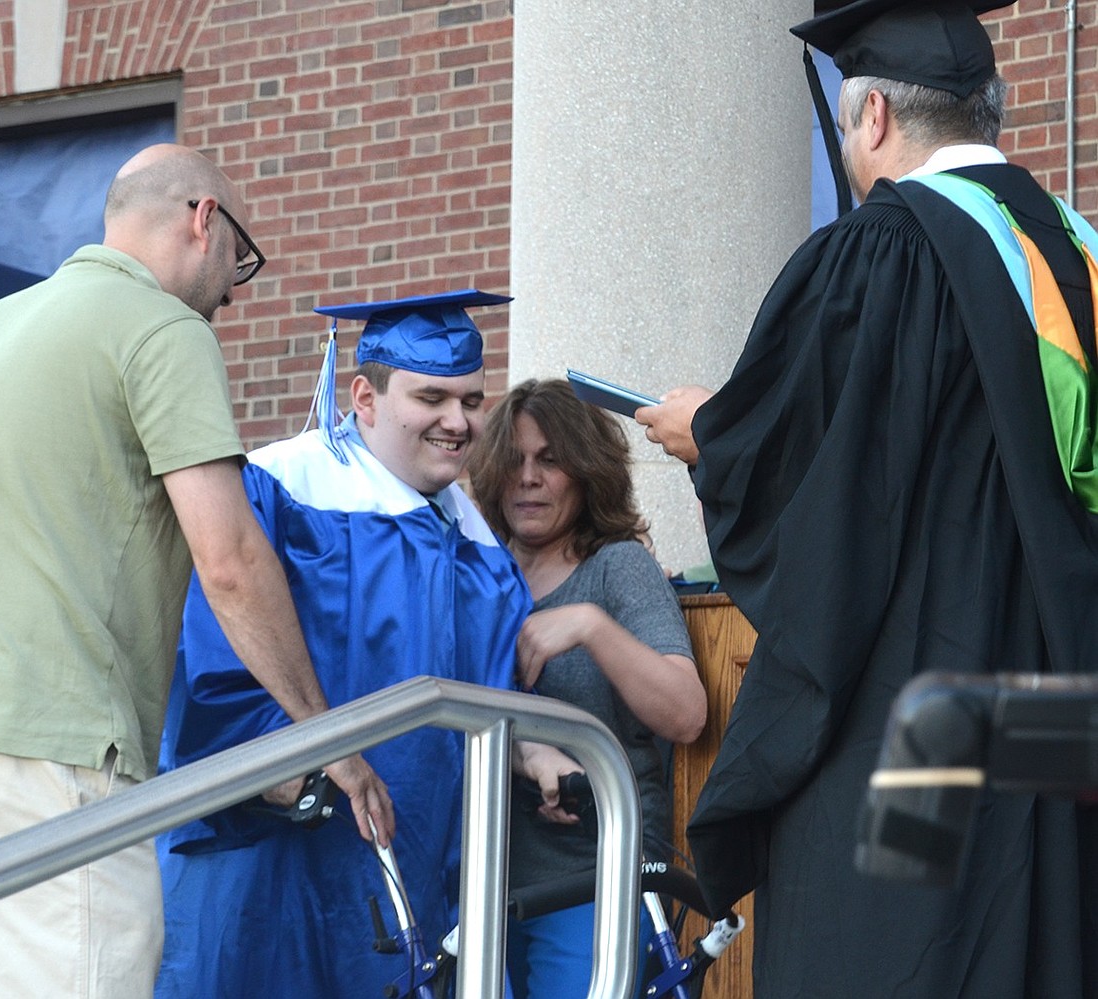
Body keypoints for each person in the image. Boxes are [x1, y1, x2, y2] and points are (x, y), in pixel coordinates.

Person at [635, 2, 1098, 996]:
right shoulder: (1080, 258)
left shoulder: (880, 252)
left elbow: (814, 496)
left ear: (876, 115)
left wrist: (707, 436)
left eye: (846, 127)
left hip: (916, 738)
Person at [0, 144, 388, 998]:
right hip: (63, 753)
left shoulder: (0, 325)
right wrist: (330, 740)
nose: (234, 293)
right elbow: (232, 561)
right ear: (203, 218)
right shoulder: (162, 326)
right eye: (239, 260)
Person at [155, 291, 548, 998]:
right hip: (278, 866)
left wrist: (529, 753)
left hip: (418, 865)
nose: (457, 422)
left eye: (471, 399)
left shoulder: (483, 545)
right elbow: (208, 662)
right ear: (363, 396)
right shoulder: (280, 490)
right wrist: (291, 765)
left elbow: (487, 703)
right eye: (432, 396)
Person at [469, 378, 707, 998]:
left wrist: (590, 626)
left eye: (550, 460)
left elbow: (686, 714)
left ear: (586, 471)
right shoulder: (476, 568)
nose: (528, 477)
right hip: (481, 879)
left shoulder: (616, 567)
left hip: (594, 878)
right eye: (514, 460)